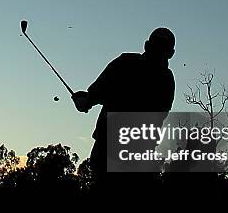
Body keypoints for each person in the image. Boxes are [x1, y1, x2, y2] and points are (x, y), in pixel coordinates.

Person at [72, 28, 176, 182]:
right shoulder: (167, 80)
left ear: (146, 45)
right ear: (170, 53)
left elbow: (96, 94)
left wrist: (84, 102)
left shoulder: (125, 62)